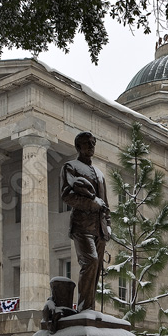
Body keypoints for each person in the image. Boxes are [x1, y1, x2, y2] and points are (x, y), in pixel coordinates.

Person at [61, 131, 111, 312]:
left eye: (92, 143)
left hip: (100, 228)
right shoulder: (71, 166)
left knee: (96, 268)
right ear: (78, 146)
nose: (90, 146)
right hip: (81, 225)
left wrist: (109, 224)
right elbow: (67, 196)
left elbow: (106, 202)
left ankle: (89, 307)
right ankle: (84, 309)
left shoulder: (99, 173)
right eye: (86, 143)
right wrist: (92, 204)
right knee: (90, 261)